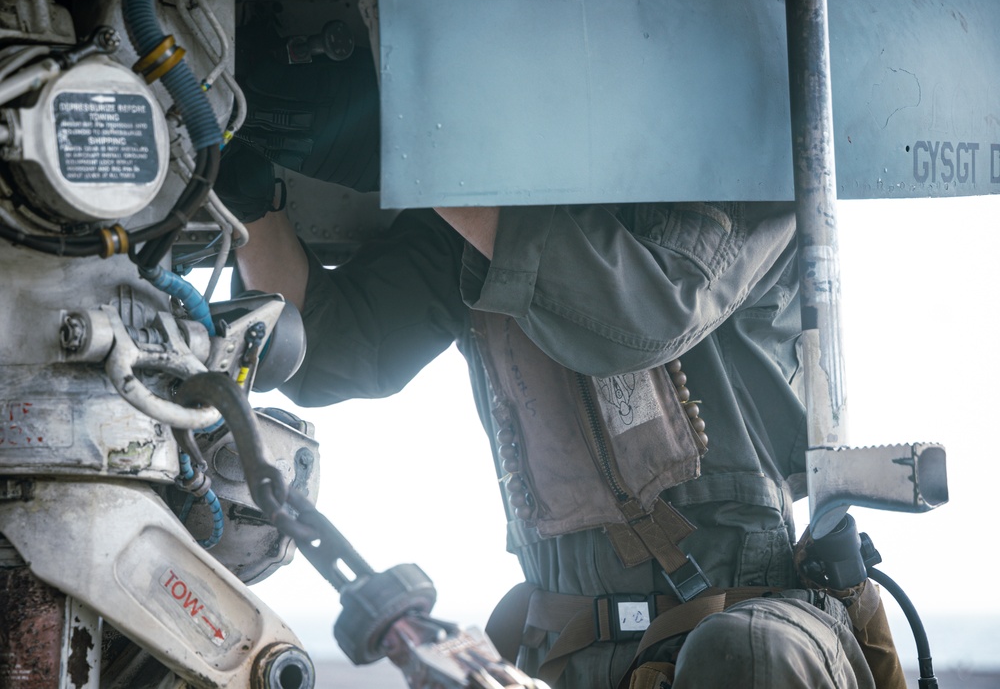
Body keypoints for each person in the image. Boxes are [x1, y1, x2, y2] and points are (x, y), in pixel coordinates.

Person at [222, 190, 906, 689]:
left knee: (745, 655)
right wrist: (246, 186)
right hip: (569, 635)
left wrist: (428, 161)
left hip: (740, 611)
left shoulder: (735, 167)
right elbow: (328, 348)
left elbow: (639, 308)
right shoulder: (476, 216)